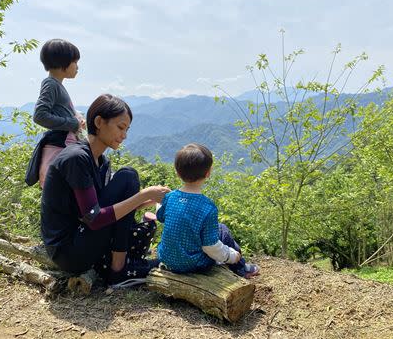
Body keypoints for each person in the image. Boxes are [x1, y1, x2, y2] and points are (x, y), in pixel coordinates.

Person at [40, 94, 170, 285]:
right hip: (69, 252)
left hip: (81, 237)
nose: (124, 135)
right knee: (127, 176)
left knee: (127, 177)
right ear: (99, 122)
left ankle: (118, 264)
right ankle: (119, 270)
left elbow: (103, 209)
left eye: (126, 129)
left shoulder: (100, 160)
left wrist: (146, 202)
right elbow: (95, 218)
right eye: (120, 127)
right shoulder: (76, 158)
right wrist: (144, 194)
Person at [156, 143, 259, 278]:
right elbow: (209, 246)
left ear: (177, 172)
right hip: (194, 265)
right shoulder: (208, 207)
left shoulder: (170, 198)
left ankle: (237, 265)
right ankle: (241, 267)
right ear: (208, 173)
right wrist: (232, 256)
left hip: (167, 260)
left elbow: (160, 216)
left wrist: (159, 201)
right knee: (222, 229)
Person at [28, 39, 86, 188]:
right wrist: (72, 123)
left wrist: (77, 120)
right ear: (63, 63)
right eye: (75, 62)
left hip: (64, 145)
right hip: (59, 147)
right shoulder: (51, 84)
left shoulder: (56, 84)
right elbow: (40, 115)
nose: (77, 67)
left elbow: (60, 110)